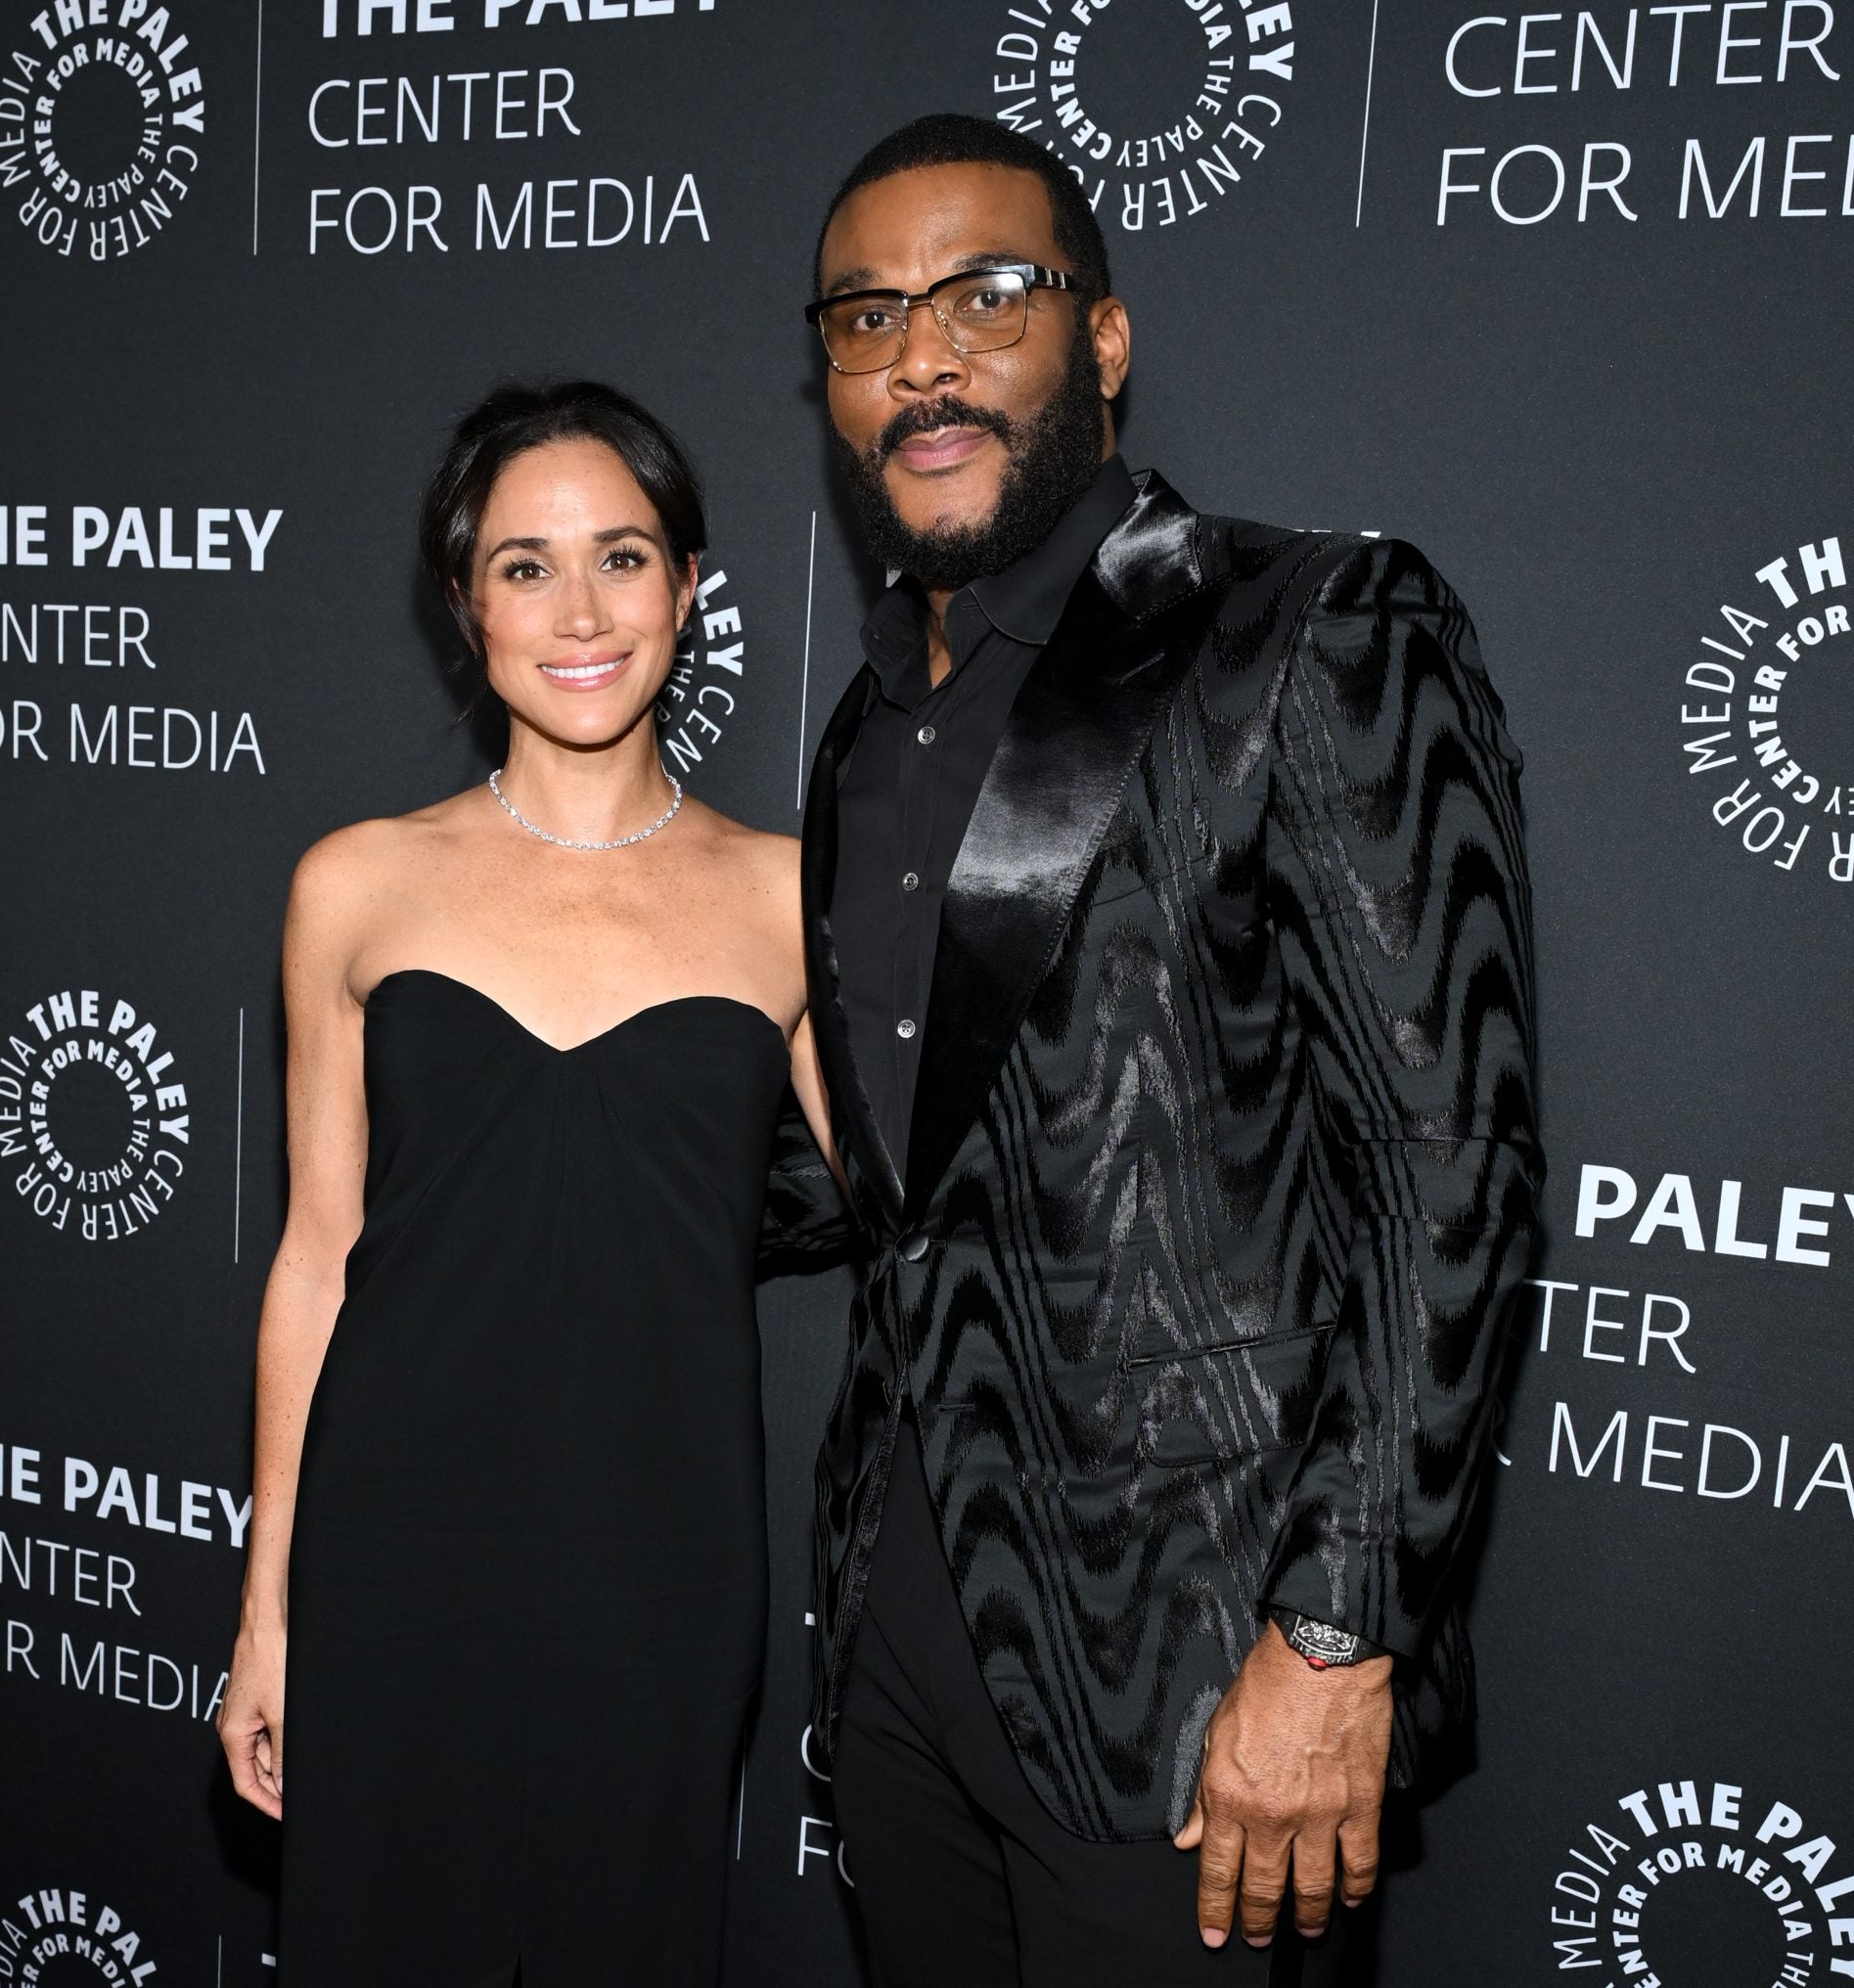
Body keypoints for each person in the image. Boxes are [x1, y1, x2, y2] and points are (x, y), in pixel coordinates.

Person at [797, 115, 1544, 1985]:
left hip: (1201, 1673)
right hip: (901, 1628)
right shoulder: (866, 722)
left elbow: (1455, 1164)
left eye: (989, 293)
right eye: (870, 316)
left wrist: (1335, 1632)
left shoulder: (1311, 625)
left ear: (1104, 341)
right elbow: (903, 1156)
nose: (927, 355)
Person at [215, 380, 843, 1984]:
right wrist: (269, 1607)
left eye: (623, 557)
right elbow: (317, 1257)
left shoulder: (792, 901)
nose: (579, 609)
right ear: (463, 604)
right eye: (524, 565)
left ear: (691, 586)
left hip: (663, 1564)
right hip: (393, 1556)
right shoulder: (355, 884)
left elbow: (923, 1243)